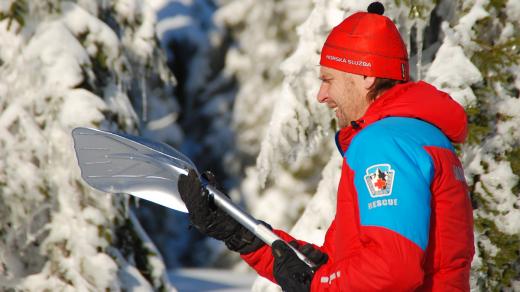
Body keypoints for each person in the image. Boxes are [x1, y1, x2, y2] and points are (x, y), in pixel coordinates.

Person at [178, 2, 474, 291]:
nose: (322, 94)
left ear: (366, 76)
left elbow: (391, 270)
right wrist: (240, 232)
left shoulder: (385, 143)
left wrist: (316, 285)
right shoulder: (419, 136)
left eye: (328, 79)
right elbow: (336, 266)